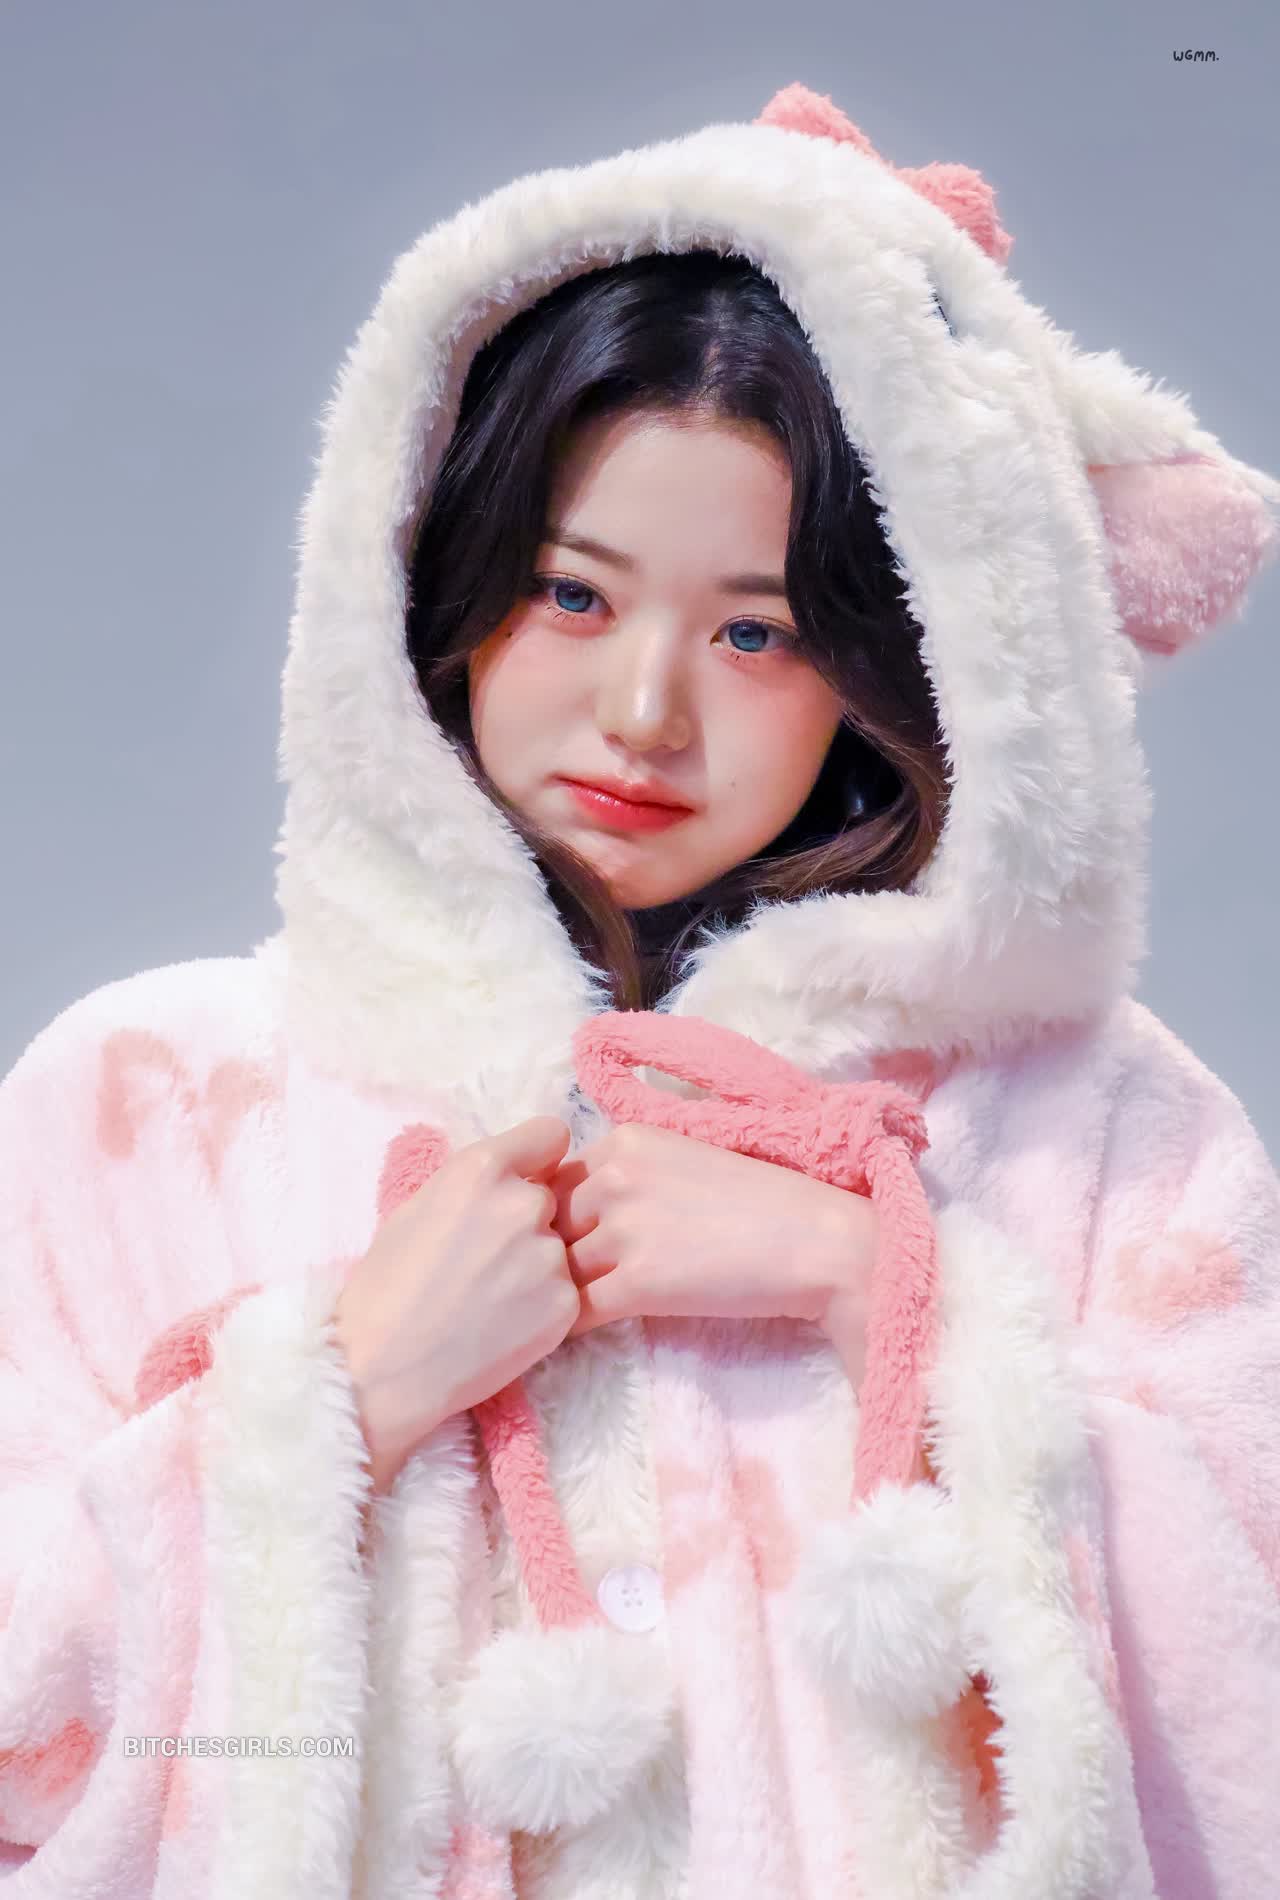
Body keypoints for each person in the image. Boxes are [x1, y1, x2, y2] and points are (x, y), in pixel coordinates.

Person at [1, 78, 1277, 1900]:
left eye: (758, 630)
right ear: (426, 573)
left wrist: (892, 1302)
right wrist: (336, 1397)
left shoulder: (1104, 1129)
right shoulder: (152, 1106)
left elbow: (1252, 1716)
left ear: (904, 658)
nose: (646, 712)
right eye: (573, 594)